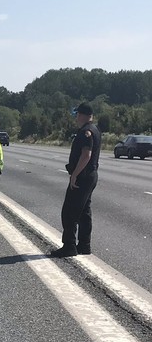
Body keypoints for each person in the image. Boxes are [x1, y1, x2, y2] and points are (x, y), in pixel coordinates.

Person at [51, 102, 101, 257]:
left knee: (69, 212)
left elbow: (86, 155)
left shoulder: (86, 132)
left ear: (84, 115)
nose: (76, 117)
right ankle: (84, 245)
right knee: (84, 211)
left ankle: (69, 246)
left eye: (78, 114)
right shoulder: (95, 130)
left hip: (83, 176)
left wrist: (75, 175)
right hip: (91, 175)